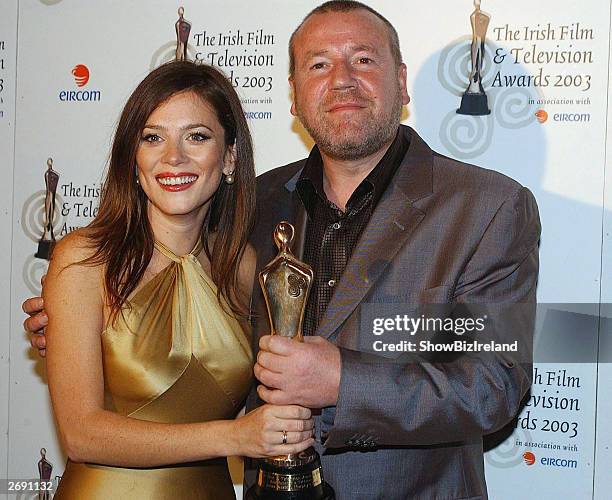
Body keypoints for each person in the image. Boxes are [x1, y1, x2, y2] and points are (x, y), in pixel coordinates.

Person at [25, 2, 540, 499]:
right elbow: (178, 317)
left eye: (363, 59)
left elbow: (492, 386)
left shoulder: (487, 208)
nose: (341, 79)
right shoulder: (248, 209)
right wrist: (89, 331)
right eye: (319, 64)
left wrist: (341, 379)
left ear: (400, 82)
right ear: (293, 97)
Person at [33, 61, 314, 500]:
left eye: (197, 137)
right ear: (134, 157)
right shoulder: (84, 259)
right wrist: (235, 437)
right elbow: (81, 434)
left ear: (230, 158)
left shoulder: (244, 265)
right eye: (153, 137)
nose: (173, 157)